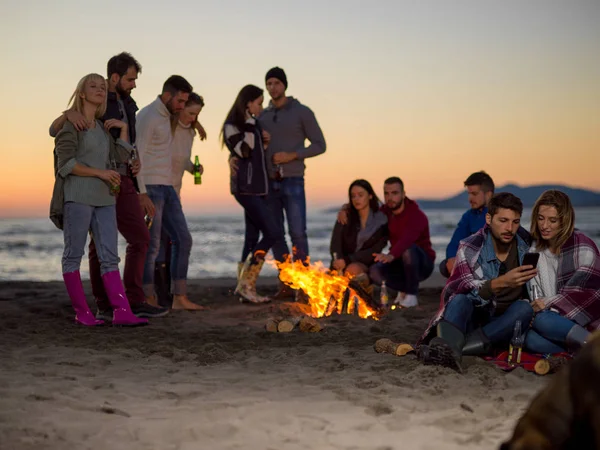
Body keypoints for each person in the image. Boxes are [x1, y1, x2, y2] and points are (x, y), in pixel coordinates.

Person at [49, 52, 167, 320]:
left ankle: (122, 312)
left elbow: (119, 157)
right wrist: (101, 173)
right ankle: (84, 312)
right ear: (81, 92)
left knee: (109, 255)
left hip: (105, 197)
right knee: (74, 255)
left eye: (102, 87)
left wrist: (124, 133)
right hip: (78, 196)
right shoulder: (71, 124)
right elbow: (65, 165)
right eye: (94, 86)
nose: (100, 90)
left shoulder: (103, 127)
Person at [418, 193, 537, 372]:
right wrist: (500, 283)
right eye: (503, 220)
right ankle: (464, 348)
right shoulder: (470, 246)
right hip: (477, 316)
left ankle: (454, 350)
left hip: (504, 323)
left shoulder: (527, 246)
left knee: (525, 309)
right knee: (459, 300)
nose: (509, 228)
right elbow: (463, 290)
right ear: (489, 218)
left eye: (515, 222)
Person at [258, 67, 327, 299]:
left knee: (298, 233)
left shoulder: (302, 112)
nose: (272, 88)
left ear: (285, 85)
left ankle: (305, 286)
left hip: (294, 180)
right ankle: (287, 285)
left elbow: (320, 145)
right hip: (269, 183)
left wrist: (292, 155)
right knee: (276, 235)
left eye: (276, 83)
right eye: (269, 84)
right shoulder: (262, 116)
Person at [136, 75, 203, 310]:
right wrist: (141, 192)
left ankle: (178, 298)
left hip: (168, 188)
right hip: (151, 187)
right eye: (181, 102)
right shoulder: (148, 116)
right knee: (152, 245)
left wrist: (196, 123)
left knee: (183, 239)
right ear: (167, 96)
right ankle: (147, 296)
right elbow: (138, 155)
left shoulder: (168, 117)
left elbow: (180, 140)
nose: (183, 107)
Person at [222, 85, 286, 303]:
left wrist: (264, 143)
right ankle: (246, 285)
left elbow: (256, 155)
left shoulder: (254, 125)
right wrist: (250, 126)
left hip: (259, 189)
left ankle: (243, 288)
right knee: (272, 233)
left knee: (251, 237)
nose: (261, 106)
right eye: (258, 102)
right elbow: (244, 151)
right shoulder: (233, 126)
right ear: (247, 103)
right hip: (246, 189)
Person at [524, 190, 600, 354]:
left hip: (585, 319)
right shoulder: (534, 252)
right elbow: (536, 299)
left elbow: (589, 295)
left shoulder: (583, 247)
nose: (544, 226)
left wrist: (548, 304)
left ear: (564, 221)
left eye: (553, 220)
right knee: (529, 337)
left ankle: (594, 348)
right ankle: (581, 353)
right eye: (540, 218)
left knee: (542, 320)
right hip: (554, 320)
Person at [153, 93, 207, 306]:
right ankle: (159, 296)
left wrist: (193, 168)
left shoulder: (190, 132)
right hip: (157, 191)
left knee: (173, 241)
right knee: (158, 244)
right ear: (180, 107)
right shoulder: (167, 126)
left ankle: (173, 296)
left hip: (174, 192)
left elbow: (181, 160)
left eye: (198, 115)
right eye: (191, 113)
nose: (193, 118)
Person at [367, 177, 436, 308]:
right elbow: (368, 214)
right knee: (374, 271)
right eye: (386, 193)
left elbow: (407, 239)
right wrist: (346, 209)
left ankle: (411, 294)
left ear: (403, 194)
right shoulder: (385, 212)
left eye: (394, 193)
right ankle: (404, 289)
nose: (390, 197)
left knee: (408, 249)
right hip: (399, 262)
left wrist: (391, 255)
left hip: (421, 263)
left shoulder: (416, 215)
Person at [330, 180, 387, 286]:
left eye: (360, 195)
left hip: (366, 263)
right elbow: (335, 243)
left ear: (370, 196)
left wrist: (347, 261)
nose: (356, 199)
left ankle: (365, 289)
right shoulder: (345, 216)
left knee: (353, 270)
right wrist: (338, 260)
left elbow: (374, 250)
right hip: (341, 264)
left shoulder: (382, 220)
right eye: (353, 196)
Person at [439, 171, 494, 278]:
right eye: (469, 193)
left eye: (474, 194)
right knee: (444, 265)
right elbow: (455, 241)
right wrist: (451, 258)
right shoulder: (469, 215)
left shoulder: (498, 214)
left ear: (488, 194)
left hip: (490, 262)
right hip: (471, 260)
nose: (470, 198)